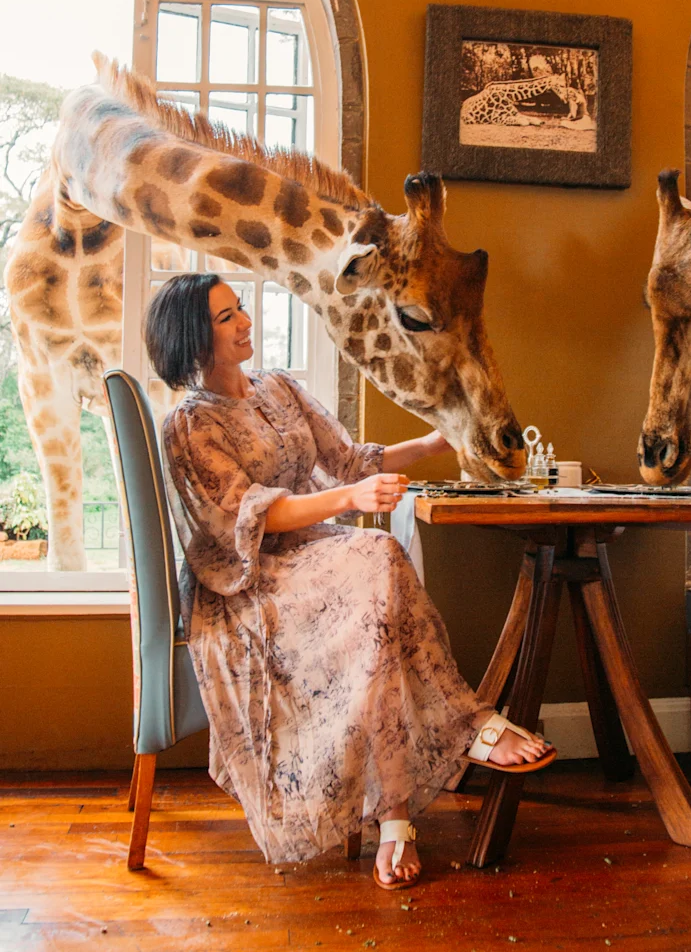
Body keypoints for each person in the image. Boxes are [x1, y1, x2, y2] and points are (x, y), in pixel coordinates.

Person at [146, 273, 554, 889]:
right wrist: (349, 500)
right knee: (376, 557)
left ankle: (398, 814)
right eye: (227, 317)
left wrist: (434, 441)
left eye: (240, 309)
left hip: (318, 554)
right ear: (193, 339)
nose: (246, 321)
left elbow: (350, 459)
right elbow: (252, 517)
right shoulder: (189, 427)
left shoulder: (279, 388)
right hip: (251, 581)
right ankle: (464, 733)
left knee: (378, 569)